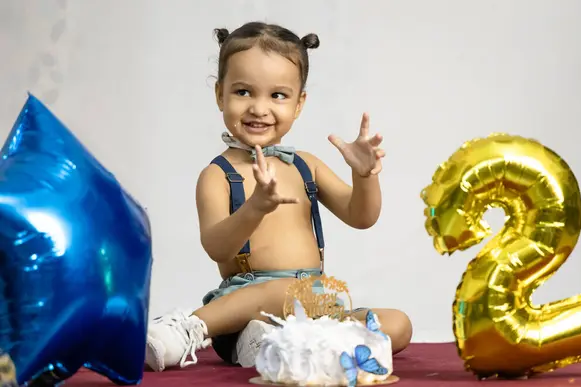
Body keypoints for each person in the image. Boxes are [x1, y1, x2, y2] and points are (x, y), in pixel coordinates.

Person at [145, 21, 413, 372]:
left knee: (396, 324)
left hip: (314, 304)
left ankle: (290, 348)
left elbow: (361, 216)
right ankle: (191, 327)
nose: (259, 108)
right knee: (279, 291)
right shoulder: (217, 175)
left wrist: (364, 177)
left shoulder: (306, 166)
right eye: (243, 92)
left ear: (299, 103)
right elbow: (217, 247)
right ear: (219, 94)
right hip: (240, 308)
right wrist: (255, 208)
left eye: (277, 95)